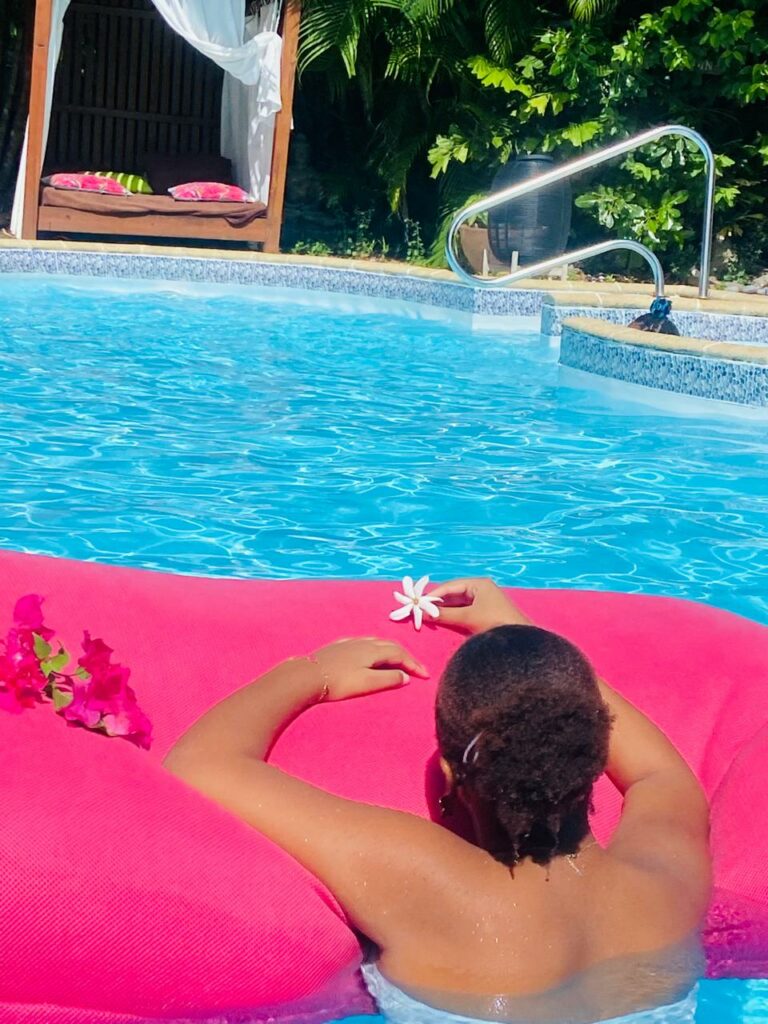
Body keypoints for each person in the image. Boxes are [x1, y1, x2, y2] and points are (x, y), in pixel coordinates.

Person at [164, 578, 710, 1024]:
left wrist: (313, 672)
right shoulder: (665, 880)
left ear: (451, 778)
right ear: (598, 755)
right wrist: (522, 634)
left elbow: (202, 764)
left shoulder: (426, 879)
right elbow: (658, 773)